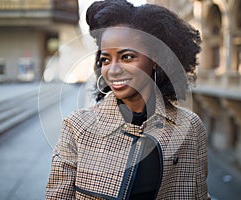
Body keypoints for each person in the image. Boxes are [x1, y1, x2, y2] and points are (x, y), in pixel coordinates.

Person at [46, 0, 210, 199]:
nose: (113, 70)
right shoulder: (77, 127)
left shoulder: (190, 128)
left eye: (127, 57)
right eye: (105, 59)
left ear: (155, 60)